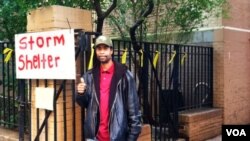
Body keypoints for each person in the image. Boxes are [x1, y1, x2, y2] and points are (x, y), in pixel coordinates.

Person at [76, 35, 142, 141]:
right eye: (99, 48)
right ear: (96, 51)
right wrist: (80, 93)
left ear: (111, 51)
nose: (102, 52)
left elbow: (134, 112)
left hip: (117, 137)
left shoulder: (124, 76)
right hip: (94, 138)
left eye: (105, 48)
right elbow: (84, 103)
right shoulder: (89, 76)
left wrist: (131, 137)